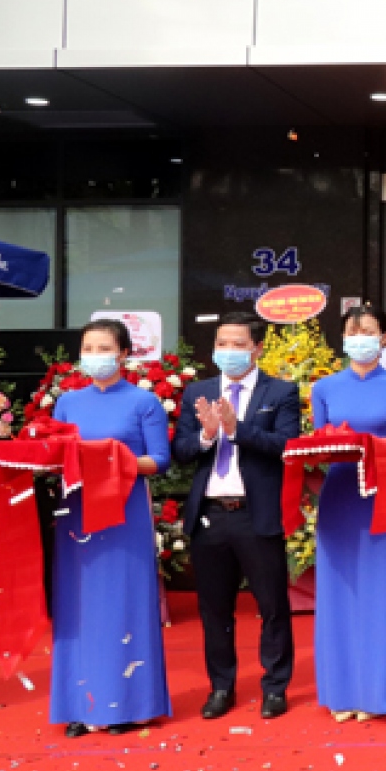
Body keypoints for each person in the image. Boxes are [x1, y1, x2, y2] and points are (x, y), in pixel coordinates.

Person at [172, 312, 302, 721]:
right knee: (214, 609)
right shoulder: (199, 391)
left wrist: (236, 429)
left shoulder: (280, 391)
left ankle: (275, 686)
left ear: (256, 348)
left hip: (255, 513)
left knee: (272, 604)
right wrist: (207, 435)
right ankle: (221, 686)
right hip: (210, 515)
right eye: (221, 343)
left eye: (237, 344)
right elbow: (180, 451)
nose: (227, 351)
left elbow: (287, 445)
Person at [50, 319, 172, 738]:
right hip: (77, 513)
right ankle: (79, 706)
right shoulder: (67, 403)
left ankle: (130, 705)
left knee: (124, 601)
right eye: (88, 348)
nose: (95, 356)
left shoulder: (144, 402)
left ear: (123, 354)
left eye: (104, 349)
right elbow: (57, 456)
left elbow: (159, 460)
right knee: (79, 605)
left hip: (124, 514)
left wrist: (110, 460)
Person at [311, 305, 386, 721]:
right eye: (352, 331)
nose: (360, 338)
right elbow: (319, 442)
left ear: (383, 338)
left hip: (384, 497)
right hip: (339, 496)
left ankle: (379, 694)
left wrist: (378, 450)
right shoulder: (324, 388)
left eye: (368, 331)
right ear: (343, 338)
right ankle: (340, 693)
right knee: (337, 594)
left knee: (381, 594)